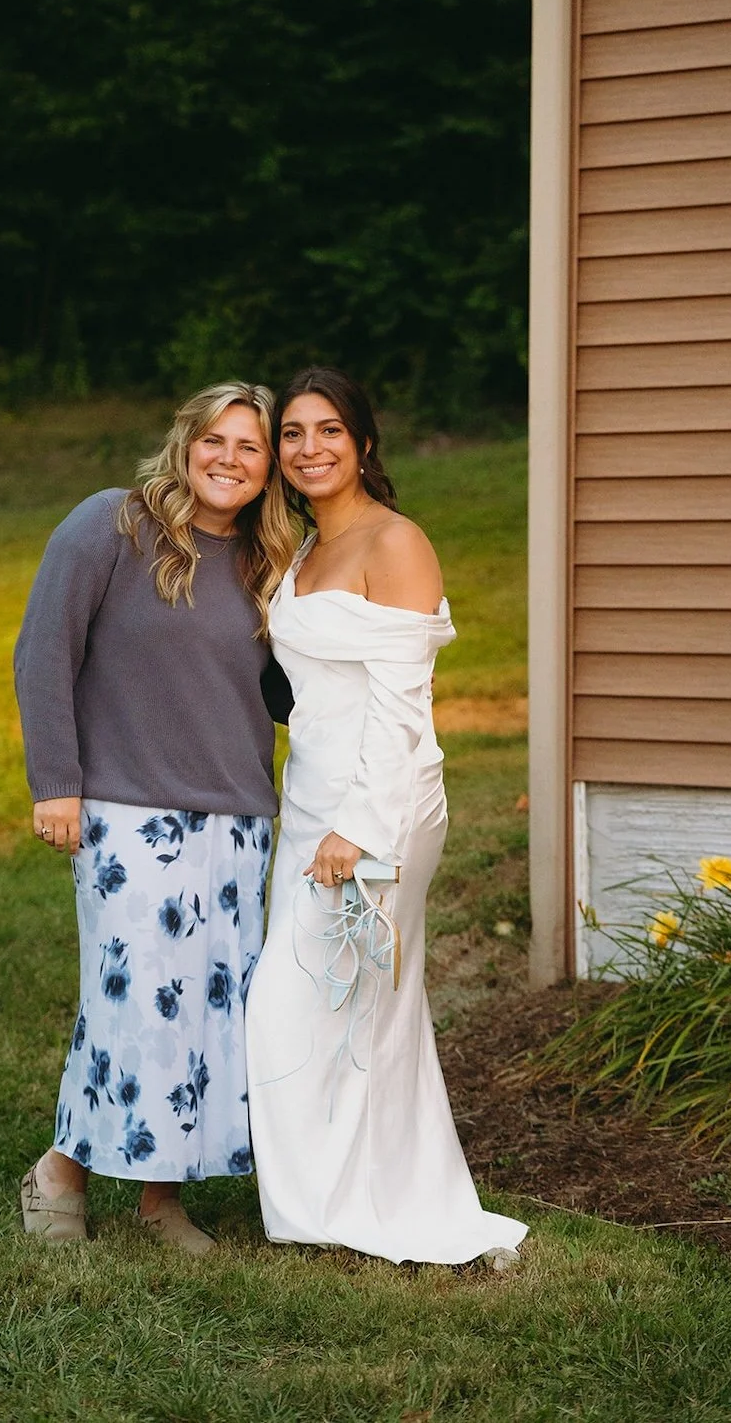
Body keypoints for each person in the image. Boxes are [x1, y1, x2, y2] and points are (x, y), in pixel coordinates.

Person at [245, 368, 528, 1265]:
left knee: (329, 1004)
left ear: (363, 442)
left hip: (381, 805)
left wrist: (359, 828)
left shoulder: (396, 542)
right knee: (338, 1007)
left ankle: (361, 1202)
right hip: (310, 800)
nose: (310, 448)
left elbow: (404, 710)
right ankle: (338, 1197)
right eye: (293, 433)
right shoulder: (302, 547)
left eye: (329, 429)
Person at [14, 381, 294, 1251]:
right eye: (215, 440)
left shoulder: (270, 561)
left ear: (269, 469)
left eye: (250, 448)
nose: (229, 460)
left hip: (238, 818)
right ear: (185, 442)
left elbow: (289, 692)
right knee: (130, 1004)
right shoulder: (113, 525)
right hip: (128, 812)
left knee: (207, 1018)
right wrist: (55, 782)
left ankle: (159, 1198)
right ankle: (60, 1171)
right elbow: (43, 651)